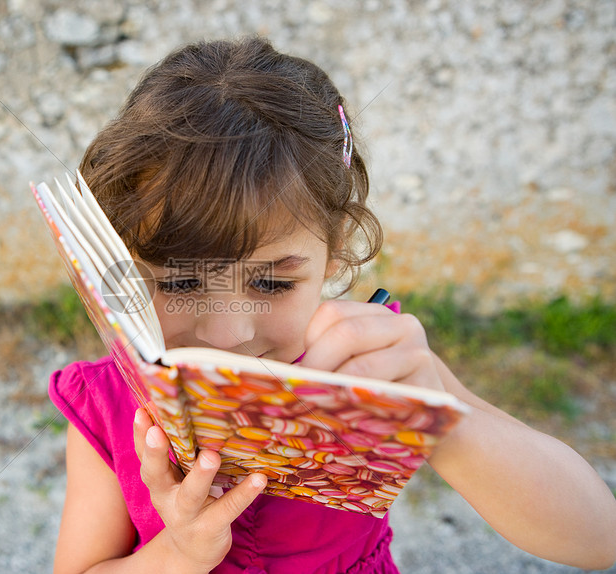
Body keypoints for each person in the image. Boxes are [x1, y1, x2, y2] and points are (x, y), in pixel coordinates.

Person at [49, 37, 616, 573]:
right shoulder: (107, 402)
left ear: (336, 248)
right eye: (177, 283)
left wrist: (436, 416)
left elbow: (596, 540)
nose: (226, 334)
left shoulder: (368, 368)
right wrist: (178, 555)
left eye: (271, 284)